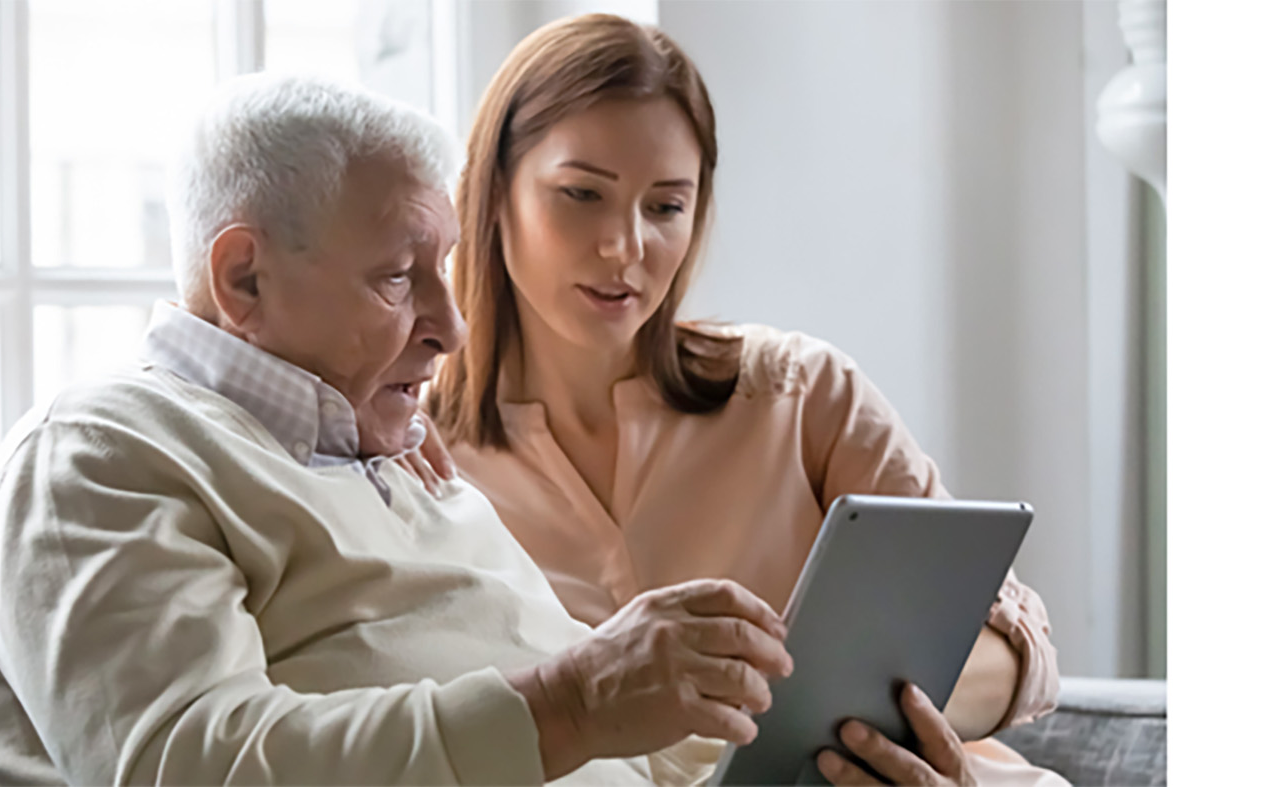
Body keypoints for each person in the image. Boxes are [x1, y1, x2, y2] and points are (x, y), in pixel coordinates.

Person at [0, 73, 813, 786]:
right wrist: (575, 701)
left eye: (442, 271)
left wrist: (815, 755)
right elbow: (194, 763)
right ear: (244, 279)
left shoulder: (393, 452)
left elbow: (612, 749)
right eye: (395, 276)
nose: (451, 327)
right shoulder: (101, 450)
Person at [421, 14, 1065, 785]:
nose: (625, 247)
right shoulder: (416, 456)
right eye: (581, 194)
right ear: (491, 196)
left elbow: (1017, 646)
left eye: (665, 206)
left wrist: (856, 727)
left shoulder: (802, 395)